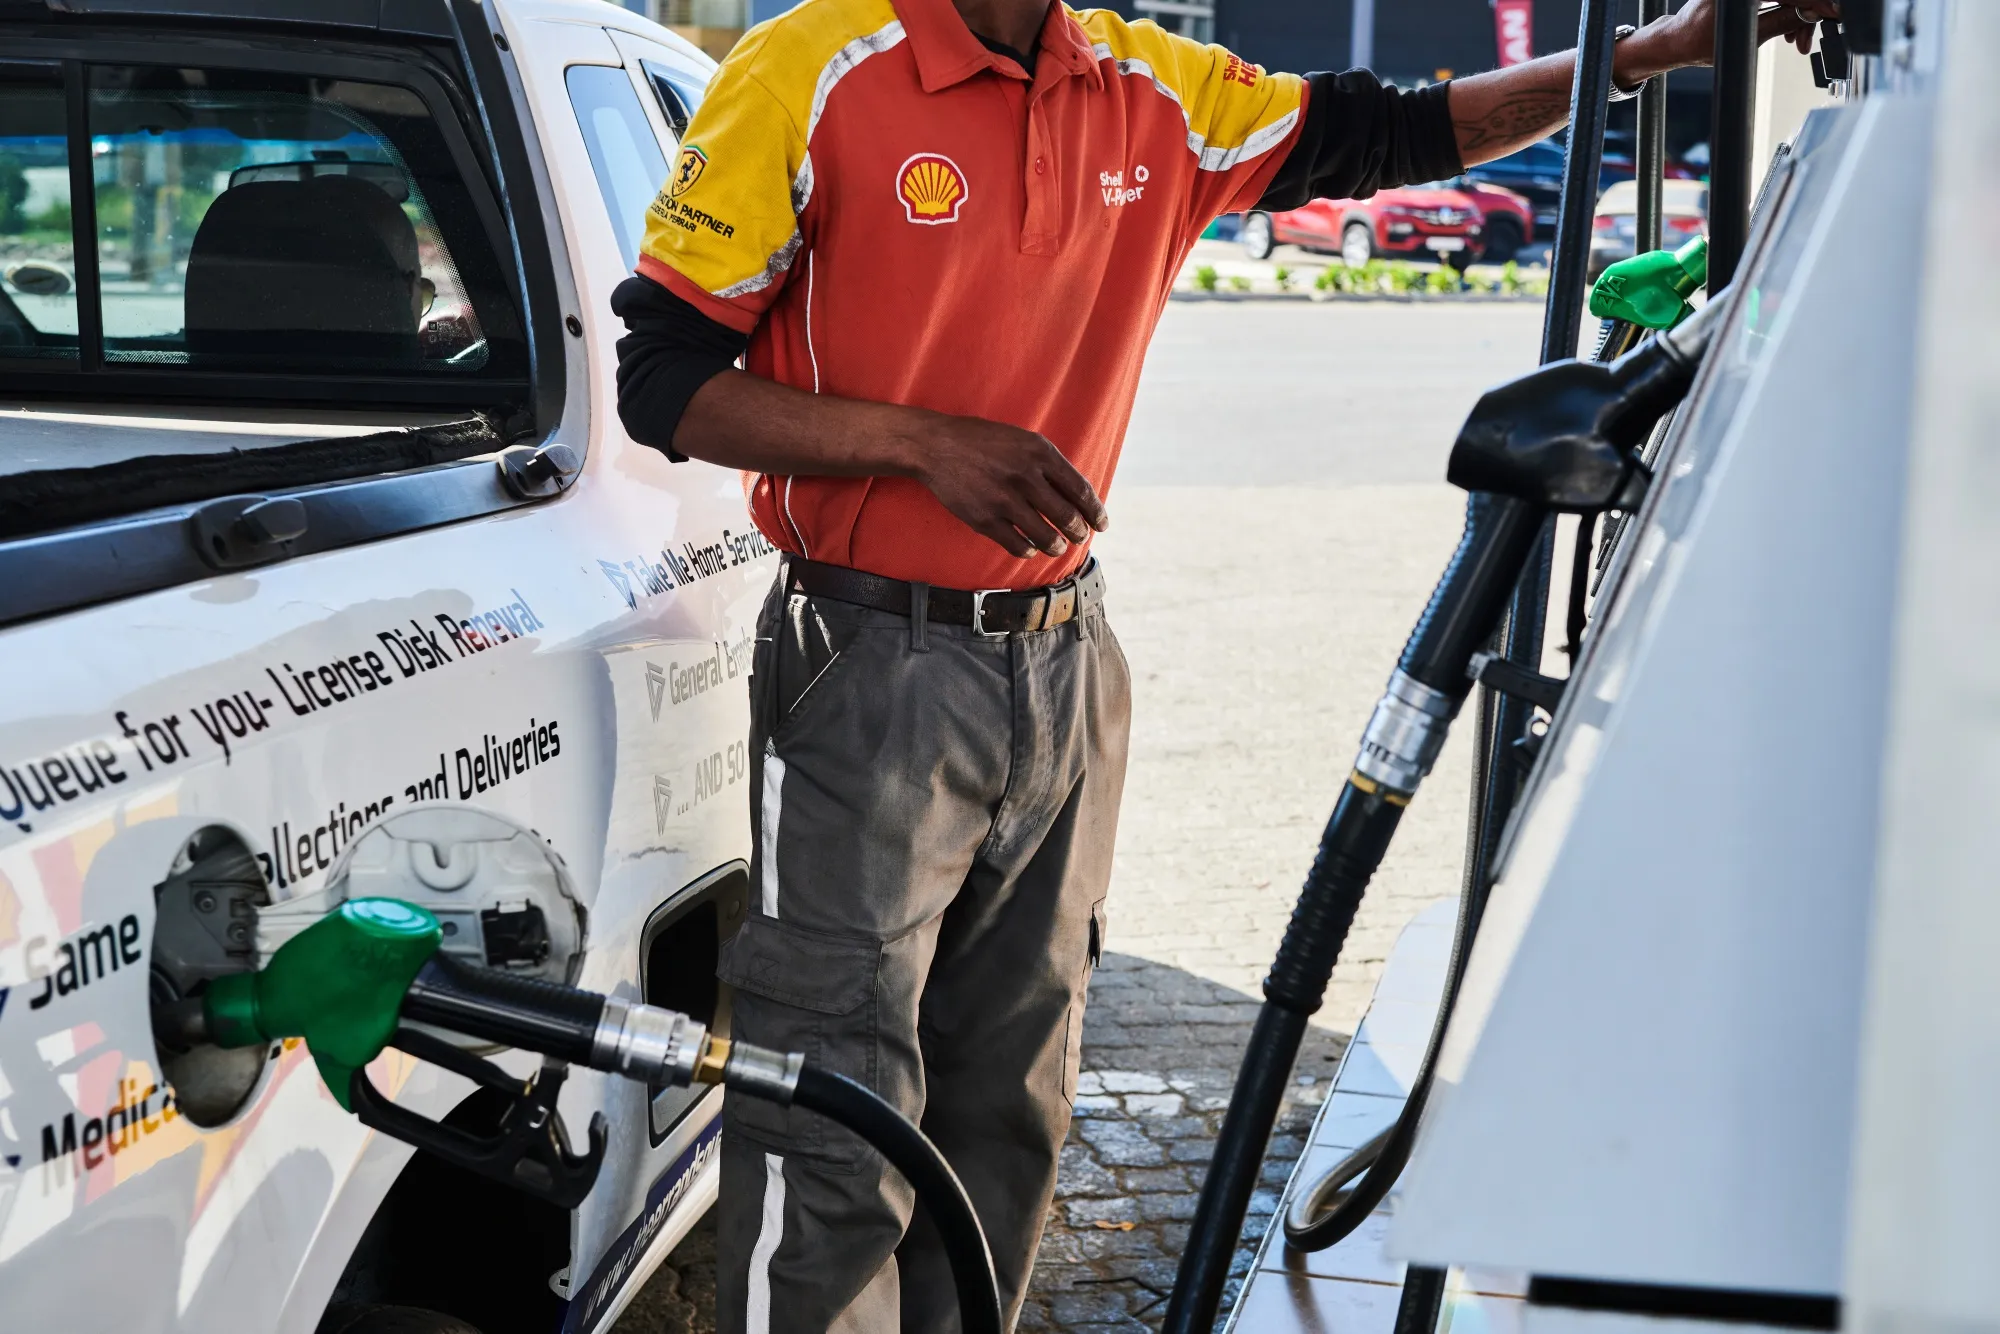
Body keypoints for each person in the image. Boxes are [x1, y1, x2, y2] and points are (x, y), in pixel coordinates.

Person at [613, 1, 1839, 1328]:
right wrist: (926, 444)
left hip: (1067, 660)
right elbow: (664, 379)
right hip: (866, 657)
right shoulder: (813, 67)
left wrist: (1654, 49)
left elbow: (1401, 129)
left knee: (1010, 1098)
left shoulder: (1152, 84)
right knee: (835, 1098)